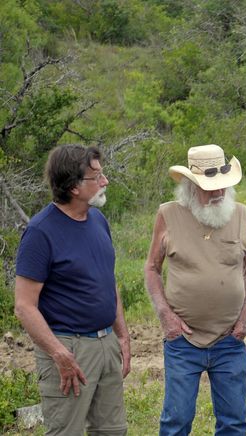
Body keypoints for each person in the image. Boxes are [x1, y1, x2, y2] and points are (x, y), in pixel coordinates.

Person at [14, 144, 131, 435]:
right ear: (74, 186)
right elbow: (24, 306)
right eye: (97, 177)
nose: (105, 182)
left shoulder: (98, 220)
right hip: (69, 348)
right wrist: (59, 354)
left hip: (106, 344)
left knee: (112, 431)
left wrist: (123, 335)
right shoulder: (40, 232)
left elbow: (107, 281)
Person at [144, 144, 246, 435]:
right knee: (176, 422)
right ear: (190, 186)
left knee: (234, 423)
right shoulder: (168, 216)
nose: (219, 193)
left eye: (223, 186)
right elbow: (152, 269)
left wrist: (244, 318)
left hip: (230, 340)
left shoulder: (242, 215)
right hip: (183, 341)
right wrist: (166, 317)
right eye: (210, 188)